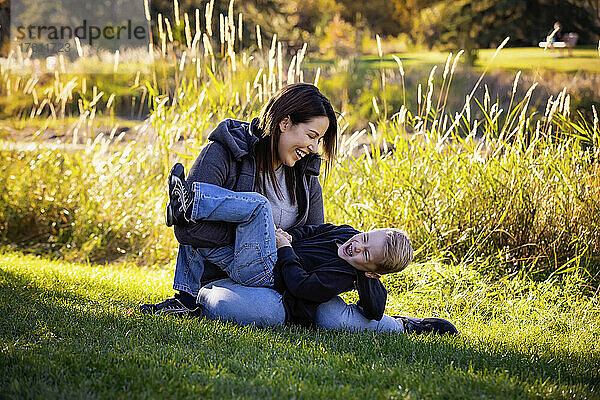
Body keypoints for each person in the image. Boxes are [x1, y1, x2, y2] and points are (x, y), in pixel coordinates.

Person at [141, 83, 454, 333]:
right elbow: (189, 229)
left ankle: (398, 325)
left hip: (281, 280)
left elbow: (314, 241)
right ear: (284, 122)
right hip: (229, 274)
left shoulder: (304, 176)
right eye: (311, 136)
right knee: (256, 305)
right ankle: (195, 299)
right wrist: (258, 238)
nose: (314, 148)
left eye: (319, 140)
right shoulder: (225, 152)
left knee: (325, 316)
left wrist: (356, 270)